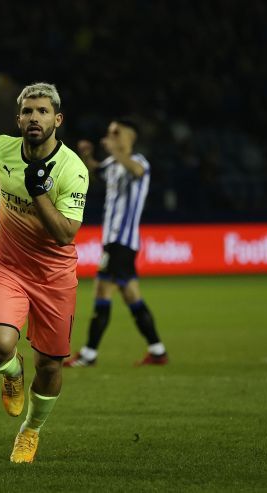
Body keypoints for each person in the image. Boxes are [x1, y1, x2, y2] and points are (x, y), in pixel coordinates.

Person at [0, 82, 88, 463]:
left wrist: (39, 193)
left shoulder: (73, 170)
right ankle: (11, 372)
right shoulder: (3, 147)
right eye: (27, 111)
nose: (33, 118)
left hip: (53, 276)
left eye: (41, 112)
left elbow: (65, 234)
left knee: (51, 365)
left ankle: (30, 431)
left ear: (57, 119)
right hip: (10, 266)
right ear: (18, 118)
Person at [64, 119, 167, 367]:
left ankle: (89, 354)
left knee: (102, 290)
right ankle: (157, 350)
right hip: (113, 241)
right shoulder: (112, 163)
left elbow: (137, 172)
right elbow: (96, 170)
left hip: (122, 242)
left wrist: (115, 151)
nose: (109, 136)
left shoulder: (139, 162)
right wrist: (88, 157)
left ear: (130, 136)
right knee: (131, 295)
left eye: (116, 132)